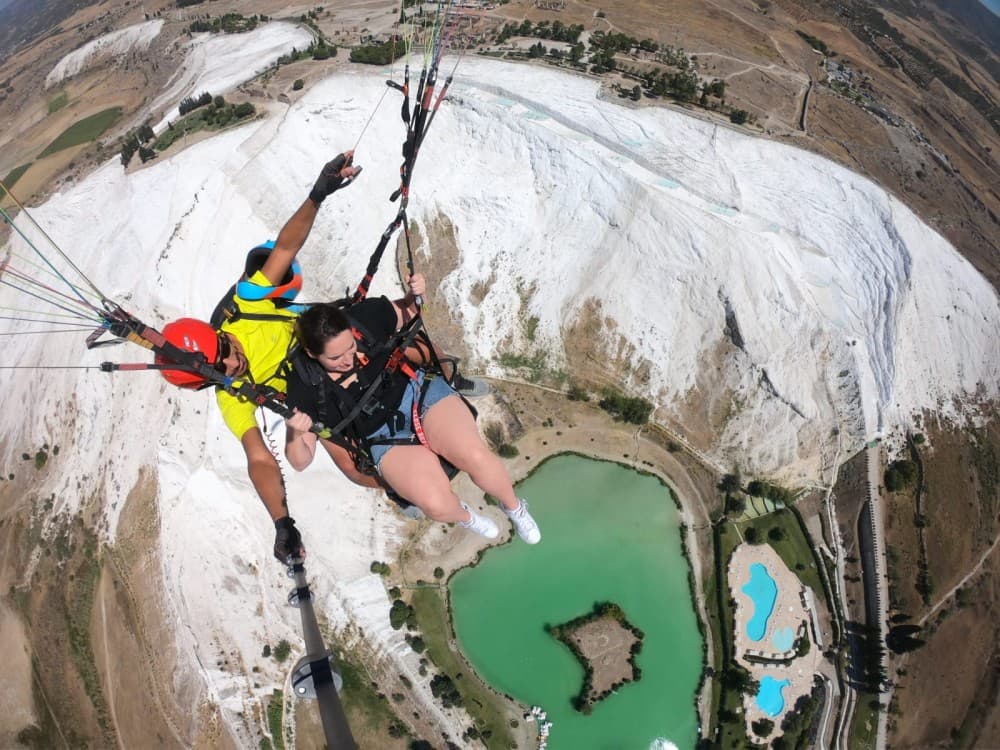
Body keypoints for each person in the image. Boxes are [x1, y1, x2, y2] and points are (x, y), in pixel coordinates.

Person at [156, 151, 360, 564]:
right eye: (219, 372)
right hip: (314, 390)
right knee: (354, 467)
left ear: (219, 334)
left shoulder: (246, 304)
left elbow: (286, 246)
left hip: (322, 341)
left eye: (226, 352)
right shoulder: (231, 397)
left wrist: (318, 194)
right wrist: (281, 522)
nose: (233, 366)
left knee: (392, 322)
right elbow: (258, 457)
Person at [282, 278, 541, 545]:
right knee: (436, 504)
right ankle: (466, 517)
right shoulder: (304, 387)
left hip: (417, 392)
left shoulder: (364, 319)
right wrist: (294, 433)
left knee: (475, 456)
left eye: (350, 347)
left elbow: (408, 310)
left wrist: (415, 294)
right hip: (381, 436)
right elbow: (300, 461)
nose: (348, 359)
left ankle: (514, 508)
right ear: (312, 353)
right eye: (335, 358)